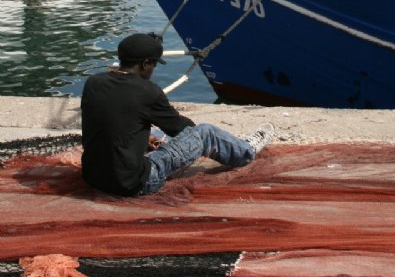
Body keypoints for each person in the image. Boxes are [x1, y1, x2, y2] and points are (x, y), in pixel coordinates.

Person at [81, 32, 275, 196]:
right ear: (145, 64)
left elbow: (117, 117)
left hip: (93, 177)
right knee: (205, 133)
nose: (152, 70)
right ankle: (246, 151)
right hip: (134, 184)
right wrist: (194, 136)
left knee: (149, 132)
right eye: (153, 65)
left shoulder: (93, 83)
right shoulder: (148, 91)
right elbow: (180, 128)